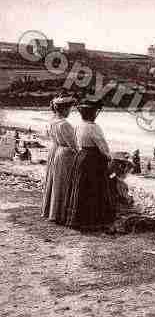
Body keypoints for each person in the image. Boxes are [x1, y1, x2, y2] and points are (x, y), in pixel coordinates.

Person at [66, 98, 115, 231]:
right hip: (93, 159)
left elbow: (76, 142)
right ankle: (92, 220)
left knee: (80, 187)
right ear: (92, 113)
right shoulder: (94, 128)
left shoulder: (78, 125)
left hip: (81, 156)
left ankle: (77, 218)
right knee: (94, 188)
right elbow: (102, 146)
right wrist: (109, 157)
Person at [41, 95, 78, 224]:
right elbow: (73, 145)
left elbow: (46, 135)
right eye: (69, 109)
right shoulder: (65, 124)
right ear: (63, 109)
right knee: (62, 182)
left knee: (53, 181)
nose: (70, 112)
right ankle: (59, 214)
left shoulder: (51, 121)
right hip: (64, 153)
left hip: (54, 149)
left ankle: (50, 211)